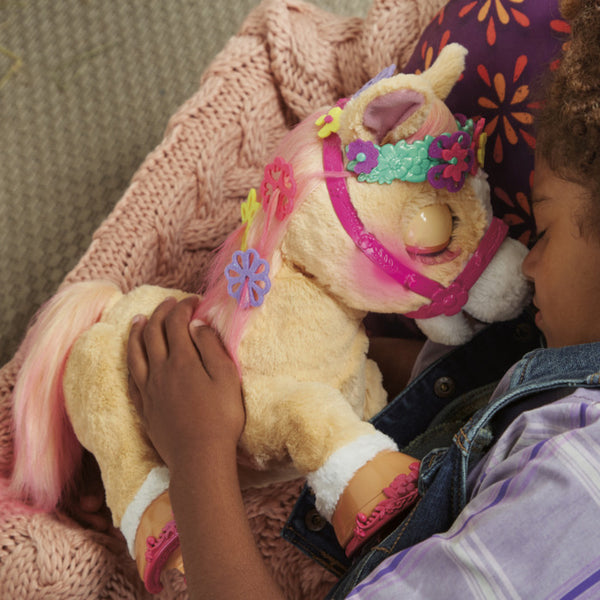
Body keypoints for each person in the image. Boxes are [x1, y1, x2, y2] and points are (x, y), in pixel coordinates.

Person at [126, 0, 600, 597]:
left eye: (545, 230)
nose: (528, 262)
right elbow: (458, 393)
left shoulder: (579, 487)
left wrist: (196, 453)